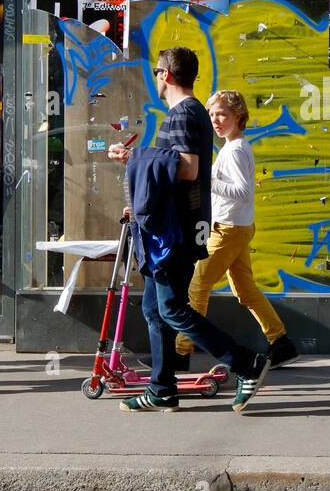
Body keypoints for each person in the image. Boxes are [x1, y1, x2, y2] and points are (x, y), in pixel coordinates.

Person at [107, 46, 272, 413]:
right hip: (171, 226)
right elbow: (172, 173)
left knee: (172, 309)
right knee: (154, 307)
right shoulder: (187, 113)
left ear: (165, 74)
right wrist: (139, 204)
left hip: (174, 234)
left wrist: (135, 157)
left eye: (156, 72)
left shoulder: (182, 114)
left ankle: (247, 363)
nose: (155, 79)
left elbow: (188, 169)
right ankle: (162, 388)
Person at [176, 89, 298, 369]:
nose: (215, 120)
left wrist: (206, 180)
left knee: (198, 286)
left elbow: (243, 191)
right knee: (245, 289)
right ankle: (281, 343)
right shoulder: (234, 146)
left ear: (238, 116)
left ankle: (180, 353)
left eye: (222, 114)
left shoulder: (235, 150)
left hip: (229, 228)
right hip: (237, 226)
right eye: (211, 114)